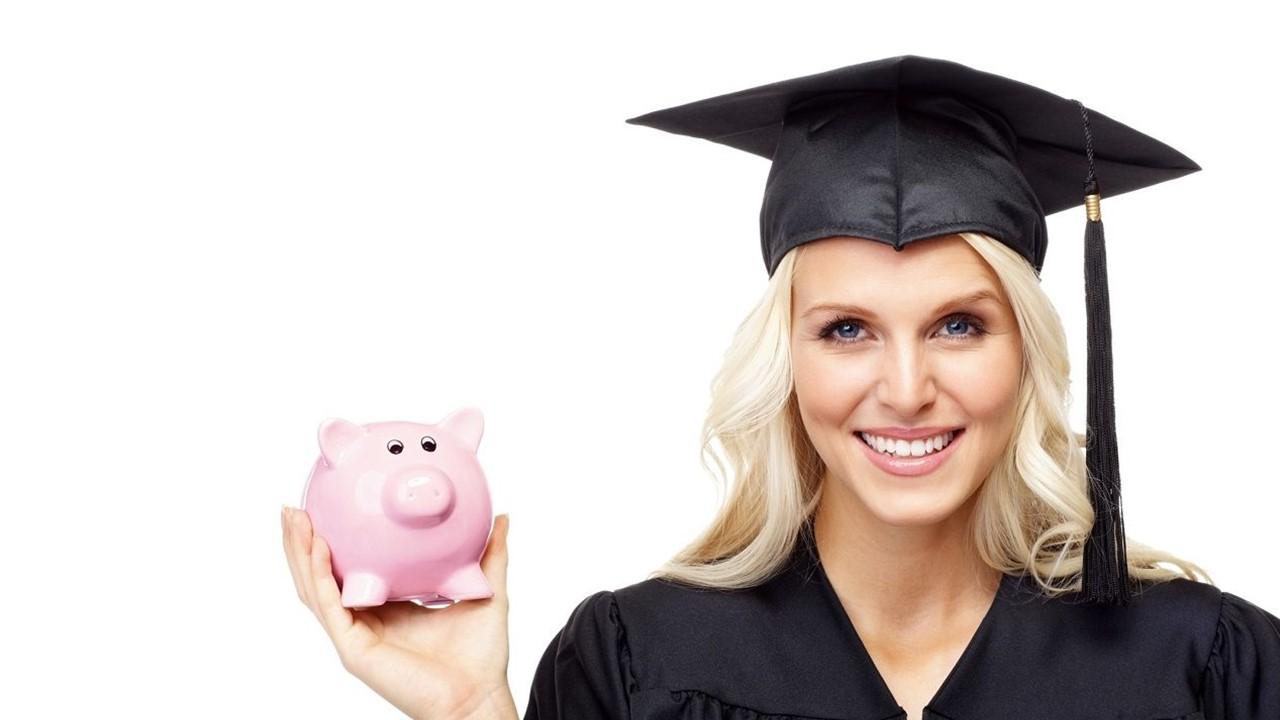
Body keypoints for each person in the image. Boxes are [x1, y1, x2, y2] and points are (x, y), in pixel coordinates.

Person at [282, 55, 1280, 720]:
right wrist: (470, 713)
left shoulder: (1205, 666)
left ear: (1024, 351)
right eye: (844, 329)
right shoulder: (639, 665)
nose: (903, 386)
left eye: (958, 325)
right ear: (784, 359)